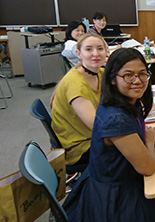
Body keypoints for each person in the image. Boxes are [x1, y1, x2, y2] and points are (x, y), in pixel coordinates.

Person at [62, 48, 155, 222]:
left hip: (114, 178)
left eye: (143, 74)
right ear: (113, 78)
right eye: (128, 75)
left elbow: (133, 130)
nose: (137, 81)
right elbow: (147, 168)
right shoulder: (116, 118)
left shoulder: (124, 101)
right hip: (115, 194)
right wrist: (150, 141)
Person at [51, 33, 108, 167]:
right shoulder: (76, 84)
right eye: (88, 49)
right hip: (80, 146)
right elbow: (98, 127)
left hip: (88, 136)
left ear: (106, 51)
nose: (96, 53)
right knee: (134, 148)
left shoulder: (100, 73)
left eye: (100, 49)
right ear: (79, 53)